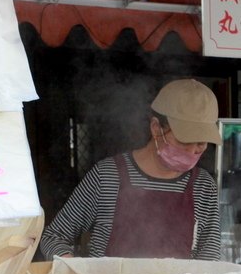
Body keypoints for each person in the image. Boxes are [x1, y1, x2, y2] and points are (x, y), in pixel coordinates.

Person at [39, 78, 222, 260]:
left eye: (201, 142)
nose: (193, 149)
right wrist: (76, 271)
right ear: (156, 128)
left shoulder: (203, 186)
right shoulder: (107, 176)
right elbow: (54, 237)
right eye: (185, 140)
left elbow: (210, 258)